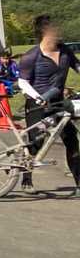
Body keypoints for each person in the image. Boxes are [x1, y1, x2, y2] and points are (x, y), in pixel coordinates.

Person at [14, 16, 80, 192]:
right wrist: (38, 98)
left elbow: (78, 67)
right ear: (44, 33)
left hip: (58, 103)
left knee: (71, 140)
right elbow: (22, 82)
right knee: (36, 142)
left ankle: (79, 182)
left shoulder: (65, 51)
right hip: (37, 105)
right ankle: (26, 179)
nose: (59, 32)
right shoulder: (31, 56)